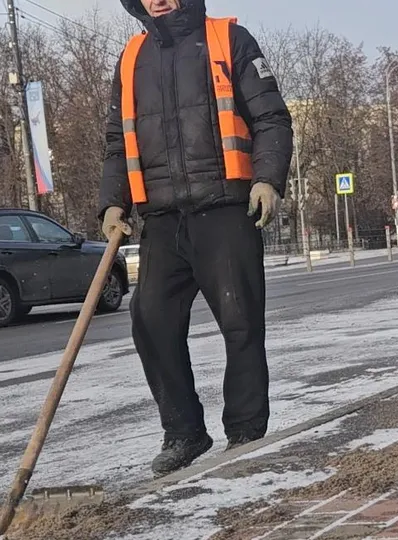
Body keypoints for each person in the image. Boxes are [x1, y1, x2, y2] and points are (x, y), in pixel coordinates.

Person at [98, 0, 293, 477]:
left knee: (240, 321)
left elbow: (271, 118)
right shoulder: (131, 58)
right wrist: (112, 203)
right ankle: (184, 432)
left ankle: (245, 430)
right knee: (152, 324)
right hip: (162, 220)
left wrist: (267, 178)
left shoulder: (231, 40)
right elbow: (118, 142)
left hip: (225, 208)